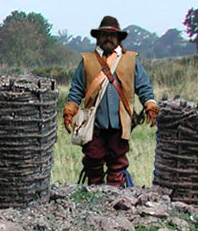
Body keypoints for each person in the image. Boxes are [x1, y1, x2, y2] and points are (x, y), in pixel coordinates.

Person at [63, 16, 159, 187]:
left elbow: (143, 86)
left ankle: (115, 195)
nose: (108, 39)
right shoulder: (87, 61)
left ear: (118, 39)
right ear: (98, 37)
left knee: (117, 160)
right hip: (94, 123)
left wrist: (150, 105)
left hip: (120, 122)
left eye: (112, 36)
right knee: (93, 160)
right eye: (104, 35)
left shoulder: (130, 60)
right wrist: (70, 110)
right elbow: (77, 88)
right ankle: (94, 195)